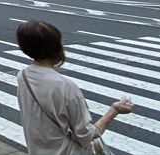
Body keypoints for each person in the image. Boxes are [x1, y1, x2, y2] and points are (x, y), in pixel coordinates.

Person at [15, 20, 134, 155]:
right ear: (56, 47)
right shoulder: (65, 87)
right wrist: (114, 110)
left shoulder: (22, 76)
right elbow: (86, 135)